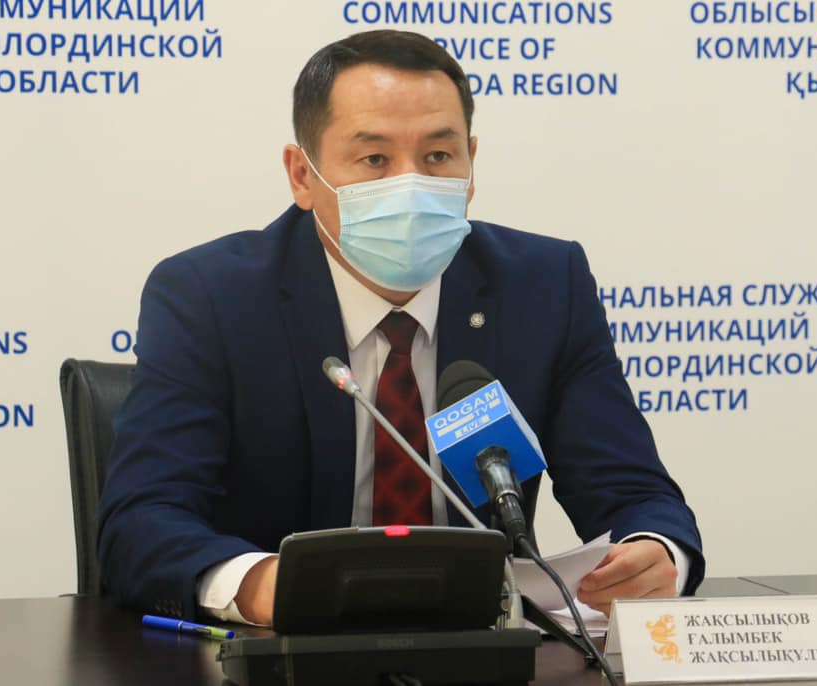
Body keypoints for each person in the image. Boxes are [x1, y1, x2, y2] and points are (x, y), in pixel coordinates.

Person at [97, 29, 704, 626]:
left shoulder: (544, 287)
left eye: (438, 156)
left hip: (484, 652)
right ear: (303, 175)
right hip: (284, 653)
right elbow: (141, 522)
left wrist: (656, 553)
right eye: (375, 159)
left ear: (471, 165)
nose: (410, 184)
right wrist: (261, 586)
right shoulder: (210, 297)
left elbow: (634, 494)